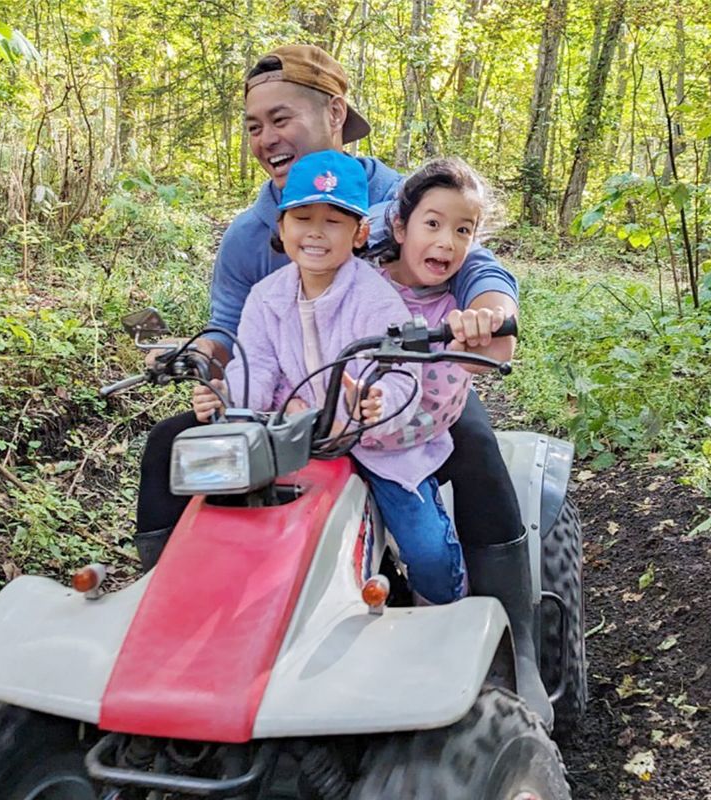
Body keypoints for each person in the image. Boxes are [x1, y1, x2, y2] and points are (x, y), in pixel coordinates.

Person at [134, 43, 544, 721]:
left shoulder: (398, 197)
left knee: (473, 446)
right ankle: (173, 617)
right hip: (290, 399)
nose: (267, 138)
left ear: (333, 112)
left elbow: (472, 261)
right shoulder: (249, 235)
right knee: (171, 446)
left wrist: (489, 311)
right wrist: (202, 363)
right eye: (254, 126)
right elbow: (230, 329)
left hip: (405, 388)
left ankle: (511, 646)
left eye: (281, 119)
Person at [193, 149, 466, 606]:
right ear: (282, 226)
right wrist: (227, 396)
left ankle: (445, 611)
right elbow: (255, 365)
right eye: (302, 218)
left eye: (334, 221)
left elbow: (403, 371)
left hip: (379, 447)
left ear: (359, 233)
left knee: (428, 550)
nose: (316, 232)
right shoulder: (265, 297)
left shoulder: (376, 298)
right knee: (227, 516)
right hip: (294, 440)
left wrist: (377, 401)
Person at [373, 155, 552, 726]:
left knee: (429, 549)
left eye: (463, 230)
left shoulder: (456, 300)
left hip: (410, 447)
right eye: (433, 224)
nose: (446, 241)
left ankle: (451, 632)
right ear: (399, 226)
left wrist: (481, 323)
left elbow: (497, 344)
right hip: (341, 433)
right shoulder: (359, 281)